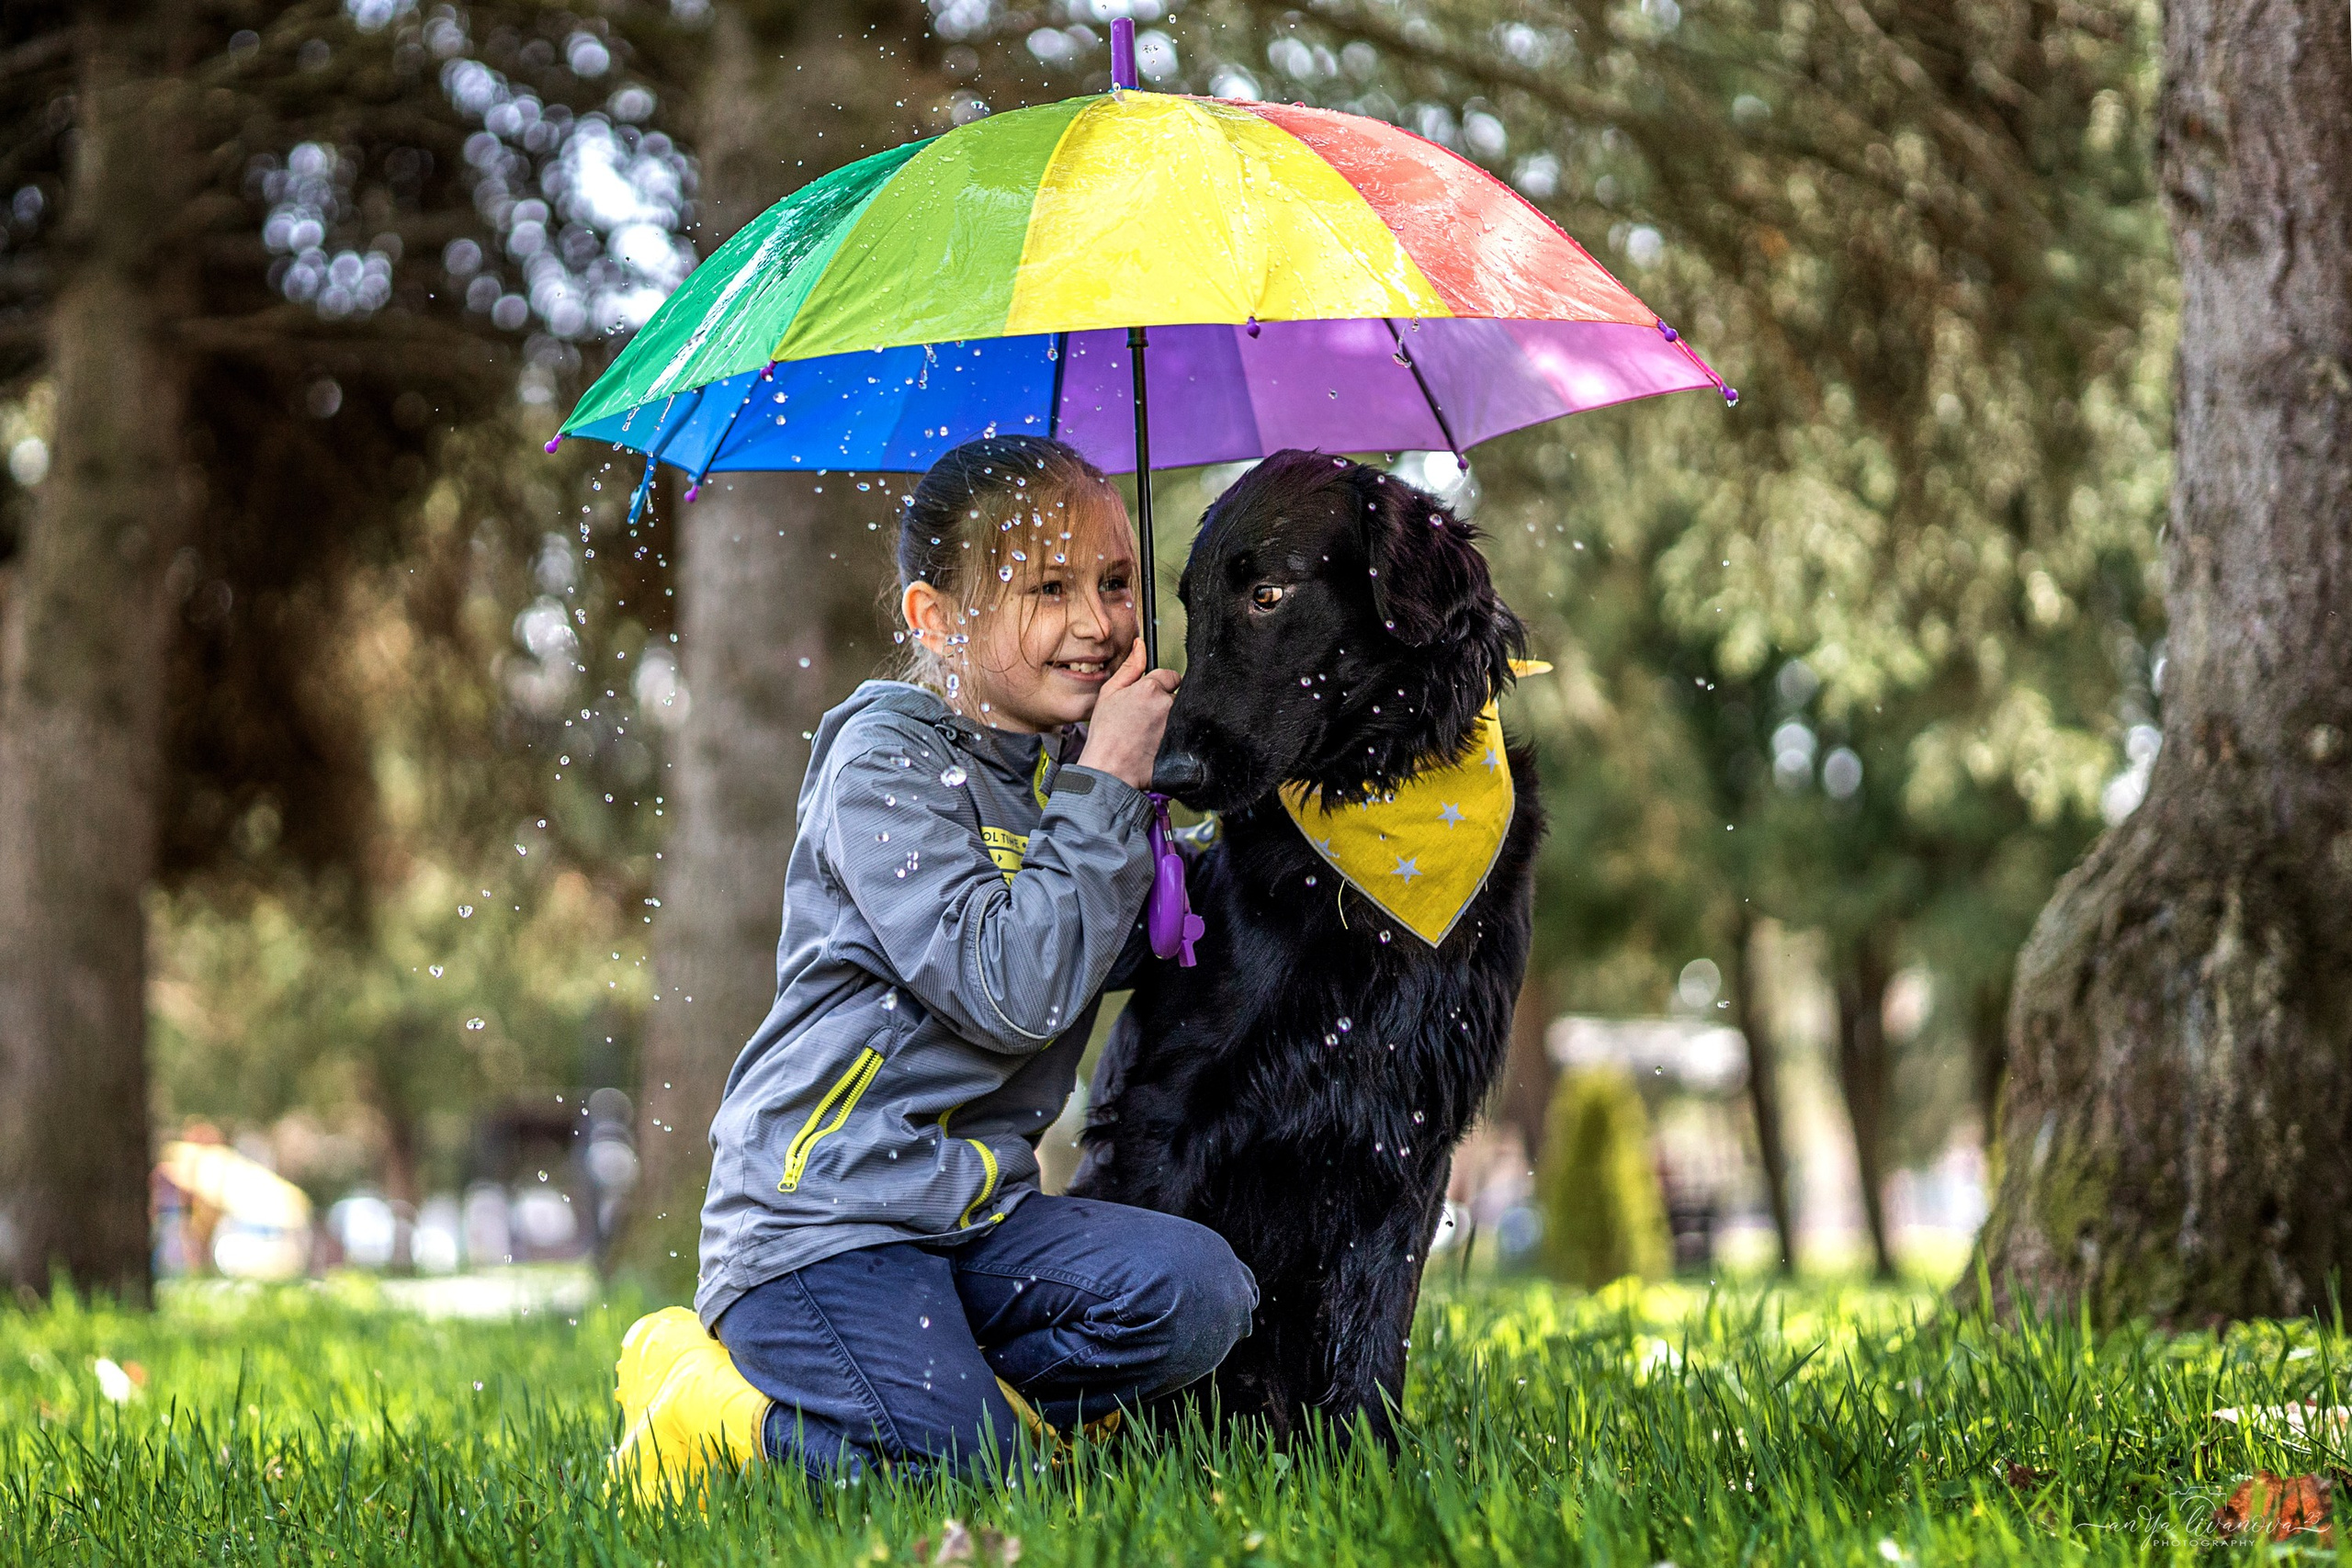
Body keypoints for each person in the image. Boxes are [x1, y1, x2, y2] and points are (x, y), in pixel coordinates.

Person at [611, 436, 1257, 1496]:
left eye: (1114, 581)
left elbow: (1147, 937)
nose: (1098, 624)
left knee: (1200, 1294)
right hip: (820, 1233)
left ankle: (952, 1400)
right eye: (1048, 589)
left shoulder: (1068, 776)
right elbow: (1013, 988)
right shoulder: (883, 764)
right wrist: (1102, 787)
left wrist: (1183, 803)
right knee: (969, 1489)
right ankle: (711, 1414)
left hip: (976, 1222)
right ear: (935, 621)